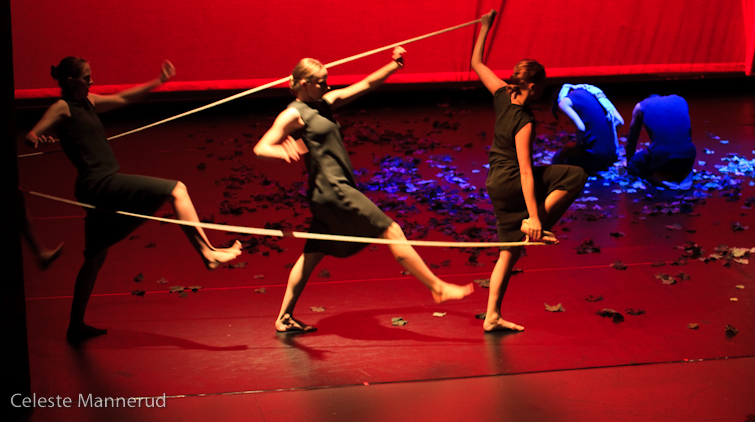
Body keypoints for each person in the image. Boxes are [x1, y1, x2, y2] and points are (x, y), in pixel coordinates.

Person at [254, 47, 474, 333]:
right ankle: (437, 287)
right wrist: (283, 152)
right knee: (391, 230)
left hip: (327, 193)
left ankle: (284, 317)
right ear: (305, 84)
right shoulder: (293, 115)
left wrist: (393, 66)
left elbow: (366, 85)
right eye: (321, 81)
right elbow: (261, 147)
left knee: (313, 253)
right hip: (333, 189)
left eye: (327, 79)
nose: (327, 85)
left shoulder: (325, 102)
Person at [25, 57, 242, 344]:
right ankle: (208, 253)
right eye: (86, 77)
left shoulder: (87, 101)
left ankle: (75, 325)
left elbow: (123, 98)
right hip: (99, 184)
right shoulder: (62, 107)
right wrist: (37, 138)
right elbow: (32, 133)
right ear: (69, 81)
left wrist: (159, 81)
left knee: (95, 257)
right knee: (176, 189)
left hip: (99, 185)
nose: (91, 81)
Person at [471, 10, 587, 332]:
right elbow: (525, 172)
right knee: (574, 175)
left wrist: (484, 28)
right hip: (511, 181)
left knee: (508, 253)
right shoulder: (525, 120)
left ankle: (491, 315)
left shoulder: (501, 94)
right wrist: (536, 218)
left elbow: (477, 65)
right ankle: (532, 228)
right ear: (533, 87)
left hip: (494, 182)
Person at [625, 94, 696, 188]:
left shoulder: (640, 106)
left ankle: (656, 177)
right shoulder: (681, 100)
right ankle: (685, 172)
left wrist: (629, 163)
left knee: (632, 164)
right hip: (689, 156)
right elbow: (687, 134)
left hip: (662, 158)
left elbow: (632, 140)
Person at [552, 83, 624, 172]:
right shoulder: (591, 93)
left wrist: (576, 145)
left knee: (560, 155)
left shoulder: (563, 102)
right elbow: (620, 121)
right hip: (612, 156)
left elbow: (581, 128)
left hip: (594, 157)